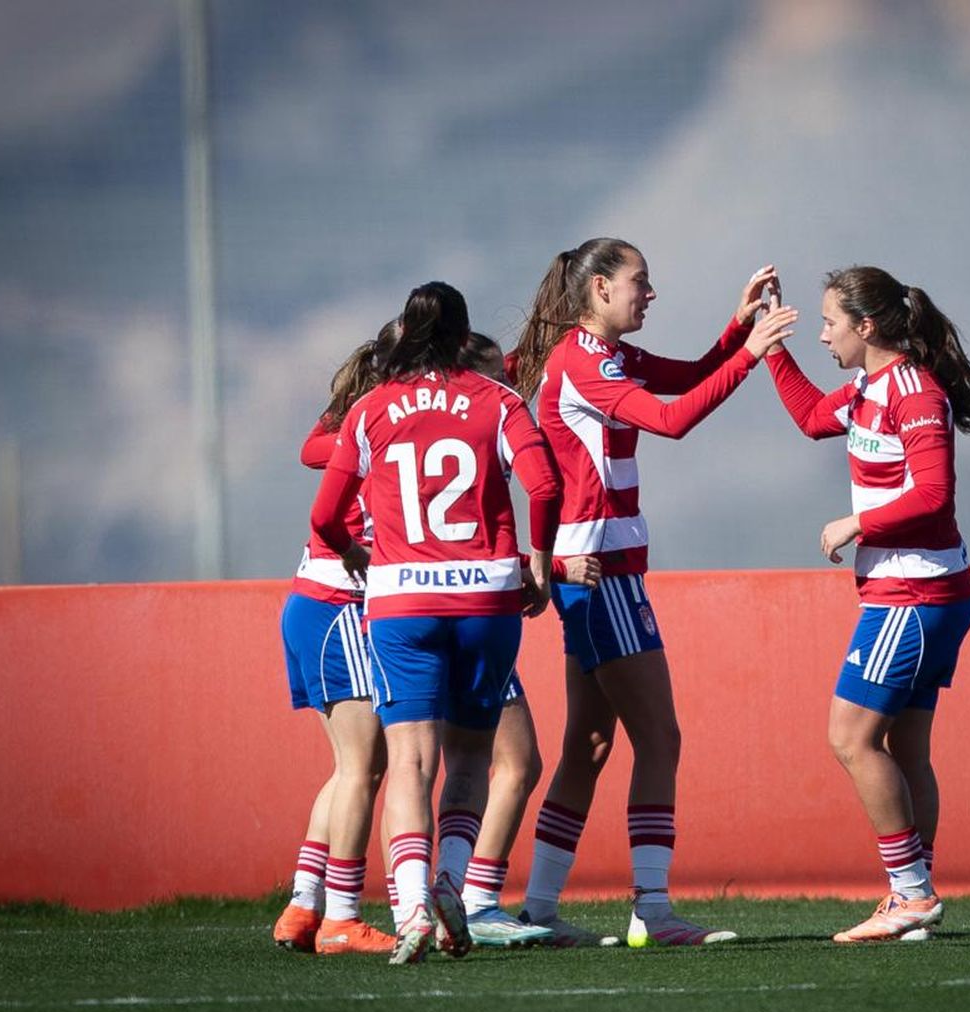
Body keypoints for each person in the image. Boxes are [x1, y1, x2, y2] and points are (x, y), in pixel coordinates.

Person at [506, 239, 797, 946]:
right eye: (641, 282)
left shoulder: (599, 355)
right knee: (659, 737)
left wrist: (735, 330)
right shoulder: (586, 360)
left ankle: (541, 908)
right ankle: (653, 910)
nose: (651, 293)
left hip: (599, 567)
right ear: (600, 289)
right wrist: (755, 352)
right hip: (601, 571)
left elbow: (690, 375)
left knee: (592, 742)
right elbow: (671, 420)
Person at [311, 282, 562, 965]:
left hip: (401, 604)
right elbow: (544, 486)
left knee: (411, 765)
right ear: (462, 335)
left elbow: (325, 519)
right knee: (474, 759)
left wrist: (364, 557)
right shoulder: (498, 400)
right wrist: (536, 564)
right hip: (485, 598)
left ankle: (413, 905)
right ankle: (454, 883)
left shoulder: (369, 410)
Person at [761, 266, 970, 943]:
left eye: (831, 321)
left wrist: (855, 523)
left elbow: (932, 495)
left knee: (849, 736)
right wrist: (769, 344)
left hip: (916, 592)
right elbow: (811, 418)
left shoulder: (915, 392)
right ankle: (914, 899)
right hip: (916, 591)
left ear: (867, 327)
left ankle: (912, 894)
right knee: (906, 747)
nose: (824, 334)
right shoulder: (868, 387)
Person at [429, 334, 602, 949]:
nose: (506, 388)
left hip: (413, 612)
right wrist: (551, 567)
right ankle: (474, 900)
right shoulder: (487, 429)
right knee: (514, 761)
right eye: (495, 379)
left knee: (430, 764)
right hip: (472, 612)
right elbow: (503, 524)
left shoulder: (407, 426)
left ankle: (427, 897)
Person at [272, 320, 399, 955]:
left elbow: (312, 446)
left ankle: (303, 906)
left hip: (311, 607)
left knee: (351, 766)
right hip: (337, 607)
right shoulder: (377, 426)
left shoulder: (360, 425)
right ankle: (341, 920)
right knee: (363, 766)